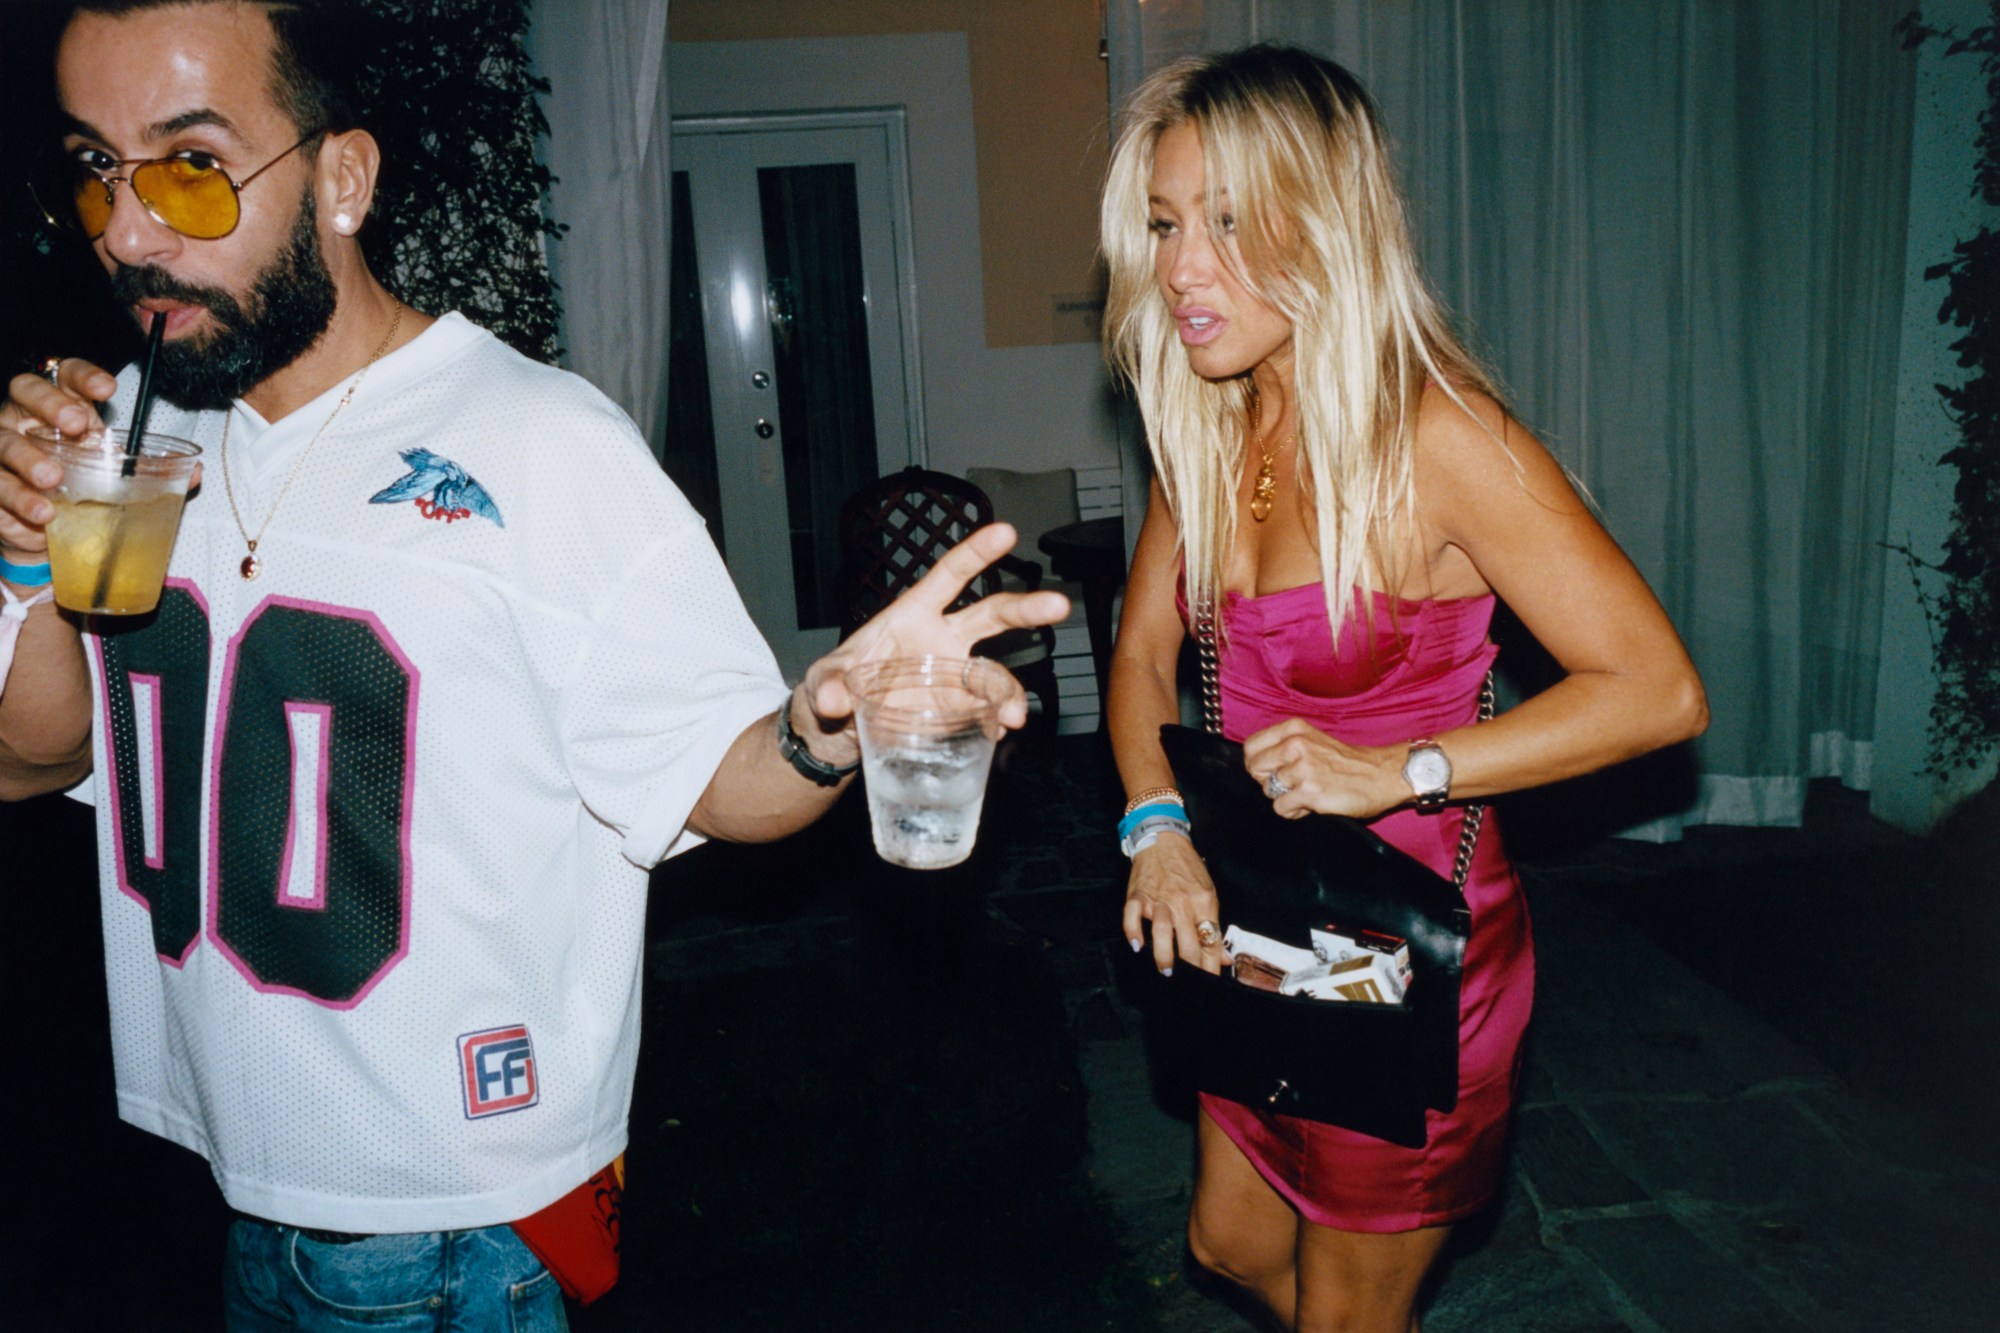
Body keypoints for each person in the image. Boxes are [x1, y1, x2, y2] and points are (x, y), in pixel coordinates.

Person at [0, 2, 1066, 1327]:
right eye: (95, 171)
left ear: (342, 177)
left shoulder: (535, 445)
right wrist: (35, 556)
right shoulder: (141, 432)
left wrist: (823, 721)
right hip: (228, 1182)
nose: (131, 232)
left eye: (189, 168)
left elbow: (715, 783)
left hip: (452, 1228)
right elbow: (32, 757)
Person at [1102, 46, 1707, 1333]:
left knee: (1346, 1314)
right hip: (1259, 914)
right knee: (1223, 1240)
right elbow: (1142, 652)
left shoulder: (1440, 436)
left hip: (1407, 951)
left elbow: (1656, 690)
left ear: (1318, 225)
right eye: (1163, 224)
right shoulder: (1210, 422)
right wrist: (1155, 829)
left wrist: (1400, 765)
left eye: (1223, 221)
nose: (1178, 268)